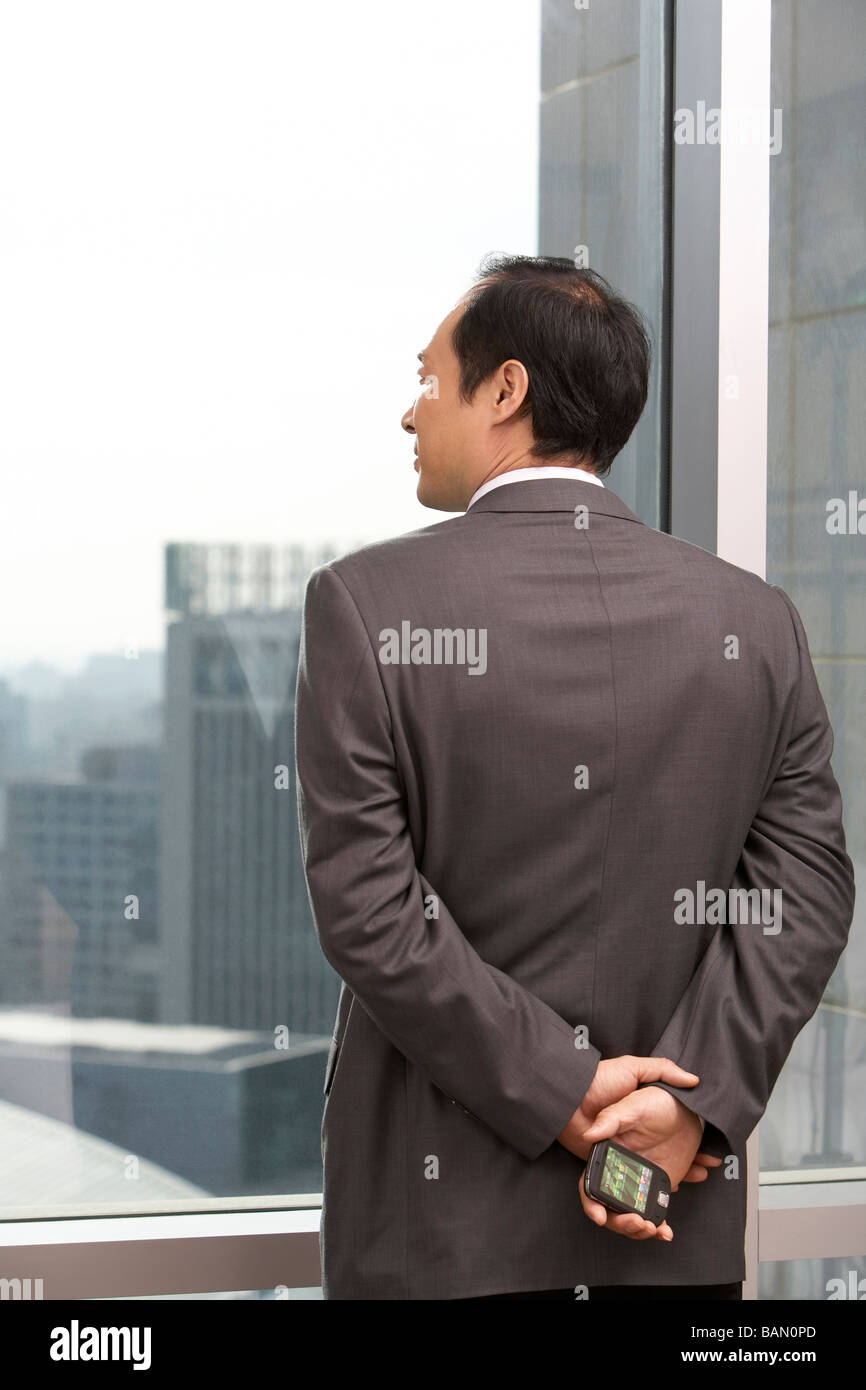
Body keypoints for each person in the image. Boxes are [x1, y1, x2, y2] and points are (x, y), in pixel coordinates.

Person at [293, 254, 855, 1300]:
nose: (407, 416)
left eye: (425, 380)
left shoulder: (362, 603)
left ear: (503, 390)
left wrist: (564, 1092)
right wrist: (682, 1109)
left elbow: (368, 910)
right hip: (659, 1216)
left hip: (437, 1249)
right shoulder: (751, 619)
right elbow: (805, 893)